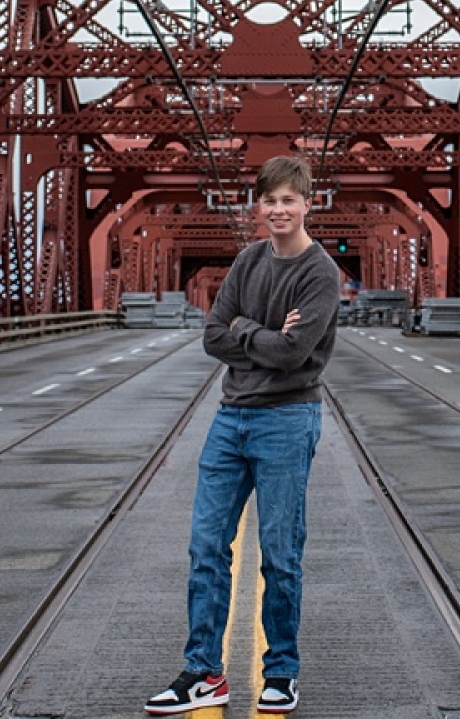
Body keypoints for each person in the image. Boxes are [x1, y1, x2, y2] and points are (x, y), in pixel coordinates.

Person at [145, 154, 342, 716]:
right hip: (230, 418)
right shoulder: (248, 260)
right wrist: (261, 334)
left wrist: (243, 330)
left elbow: (293, 353)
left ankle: (280, 671)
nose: (278, 210)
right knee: (206, 547)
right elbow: (213, 335)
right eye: (270, 200)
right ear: (258, 206)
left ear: (308, 205)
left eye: (288, 201)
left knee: (280, 554)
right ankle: (204, 672)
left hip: (287, 419)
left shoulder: (320, 273)